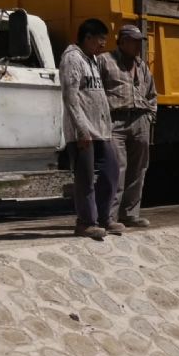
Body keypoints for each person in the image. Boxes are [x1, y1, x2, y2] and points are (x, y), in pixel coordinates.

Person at [60, 18, 123, 240]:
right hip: (83, 131)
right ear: (87, 38)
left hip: (101, 131)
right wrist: (81, 129)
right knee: (85, 179)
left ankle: (104, 218)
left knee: (111, 172)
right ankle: (86, 223)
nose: (103, 44)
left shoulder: (92, 60)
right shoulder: (72, 59)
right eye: (100, 39)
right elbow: (70, 96)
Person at [99, 24, 157, 228]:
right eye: (134, 42)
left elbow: (152, 94)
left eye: (140, 42)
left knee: (138, 169)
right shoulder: (105, 61)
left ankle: (130, 214)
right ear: (123, 42)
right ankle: (109, 217)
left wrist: (150, 116)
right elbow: (95, 92)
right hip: (115, 121)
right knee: (116, 168)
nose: (138, 46)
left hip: (140, 120)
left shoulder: (141, 65)